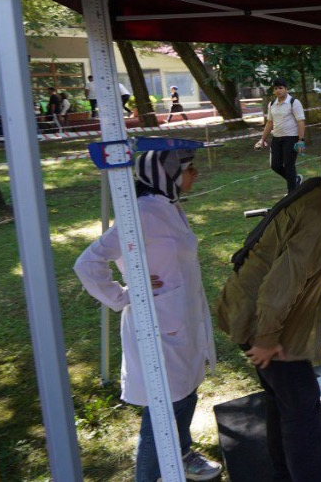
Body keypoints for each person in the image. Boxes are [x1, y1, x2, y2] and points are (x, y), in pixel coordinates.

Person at [216, 138, 321, 482]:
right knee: (301, 405)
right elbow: (284, 280)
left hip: (255, 311)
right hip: (260, 317)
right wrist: (266, 337)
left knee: (286, 400)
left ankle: (288, 475)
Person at [74, 149, 222, 482]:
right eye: (189, 168)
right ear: (165, 176)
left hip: (181, 317)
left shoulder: (168, 205)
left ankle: (182, 453)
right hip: (158, 323)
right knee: (162, 412)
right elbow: (87, 263)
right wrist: (124, 294)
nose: (195, 174)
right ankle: (149, 476)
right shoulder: (140, 214)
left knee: (186, 394)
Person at [254, 78, 307, 194]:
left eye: (280, 88)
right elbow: (269, 122)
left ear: (286, 89)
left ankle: (291, 193)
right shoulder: (272, 104)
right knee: (275, 165)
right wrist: (262, 139)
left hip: (291, 138)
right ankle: (296, 179)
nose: (278, 90)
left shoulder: (294, 102)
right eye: (276, 88)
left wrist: (301, 140)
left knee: (289, 166)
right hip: (277, 138)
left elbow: (301, 121)